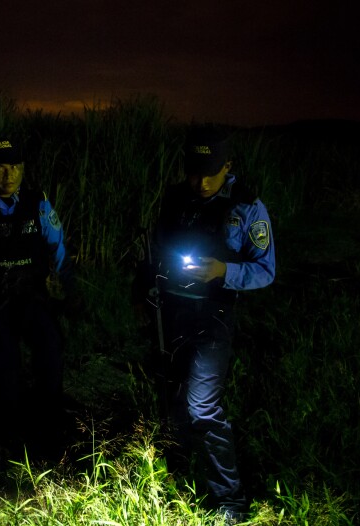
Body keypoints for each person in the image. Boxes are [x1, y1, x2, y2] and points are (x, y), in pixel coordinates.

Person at [133, 124, 275, 522]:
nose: (201, 181)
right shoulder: (177, 198)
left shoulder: (247, 207)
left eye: (210, 172)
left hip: (213, 317)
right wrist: (141, 290)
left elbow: (265, 270)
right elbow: (154, 252)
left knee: (202, 407)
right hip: (171, 312)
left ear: (227, 165)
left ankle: (231, 501)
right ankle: (178, 471)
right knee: (173, 399)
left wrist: (223, 271)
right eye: (194, 171)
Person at [0, 136, 75, 459]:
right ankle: (8, 436)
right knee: (3, 368)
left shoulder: (39, 204)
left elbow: (57, 245)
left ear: (23, 168)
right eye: (1, 168)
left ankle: (50, 426)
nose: (9, 175)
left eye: (15, 167)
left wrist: (67, 283)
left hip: (33, 295)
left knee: (50, 354)